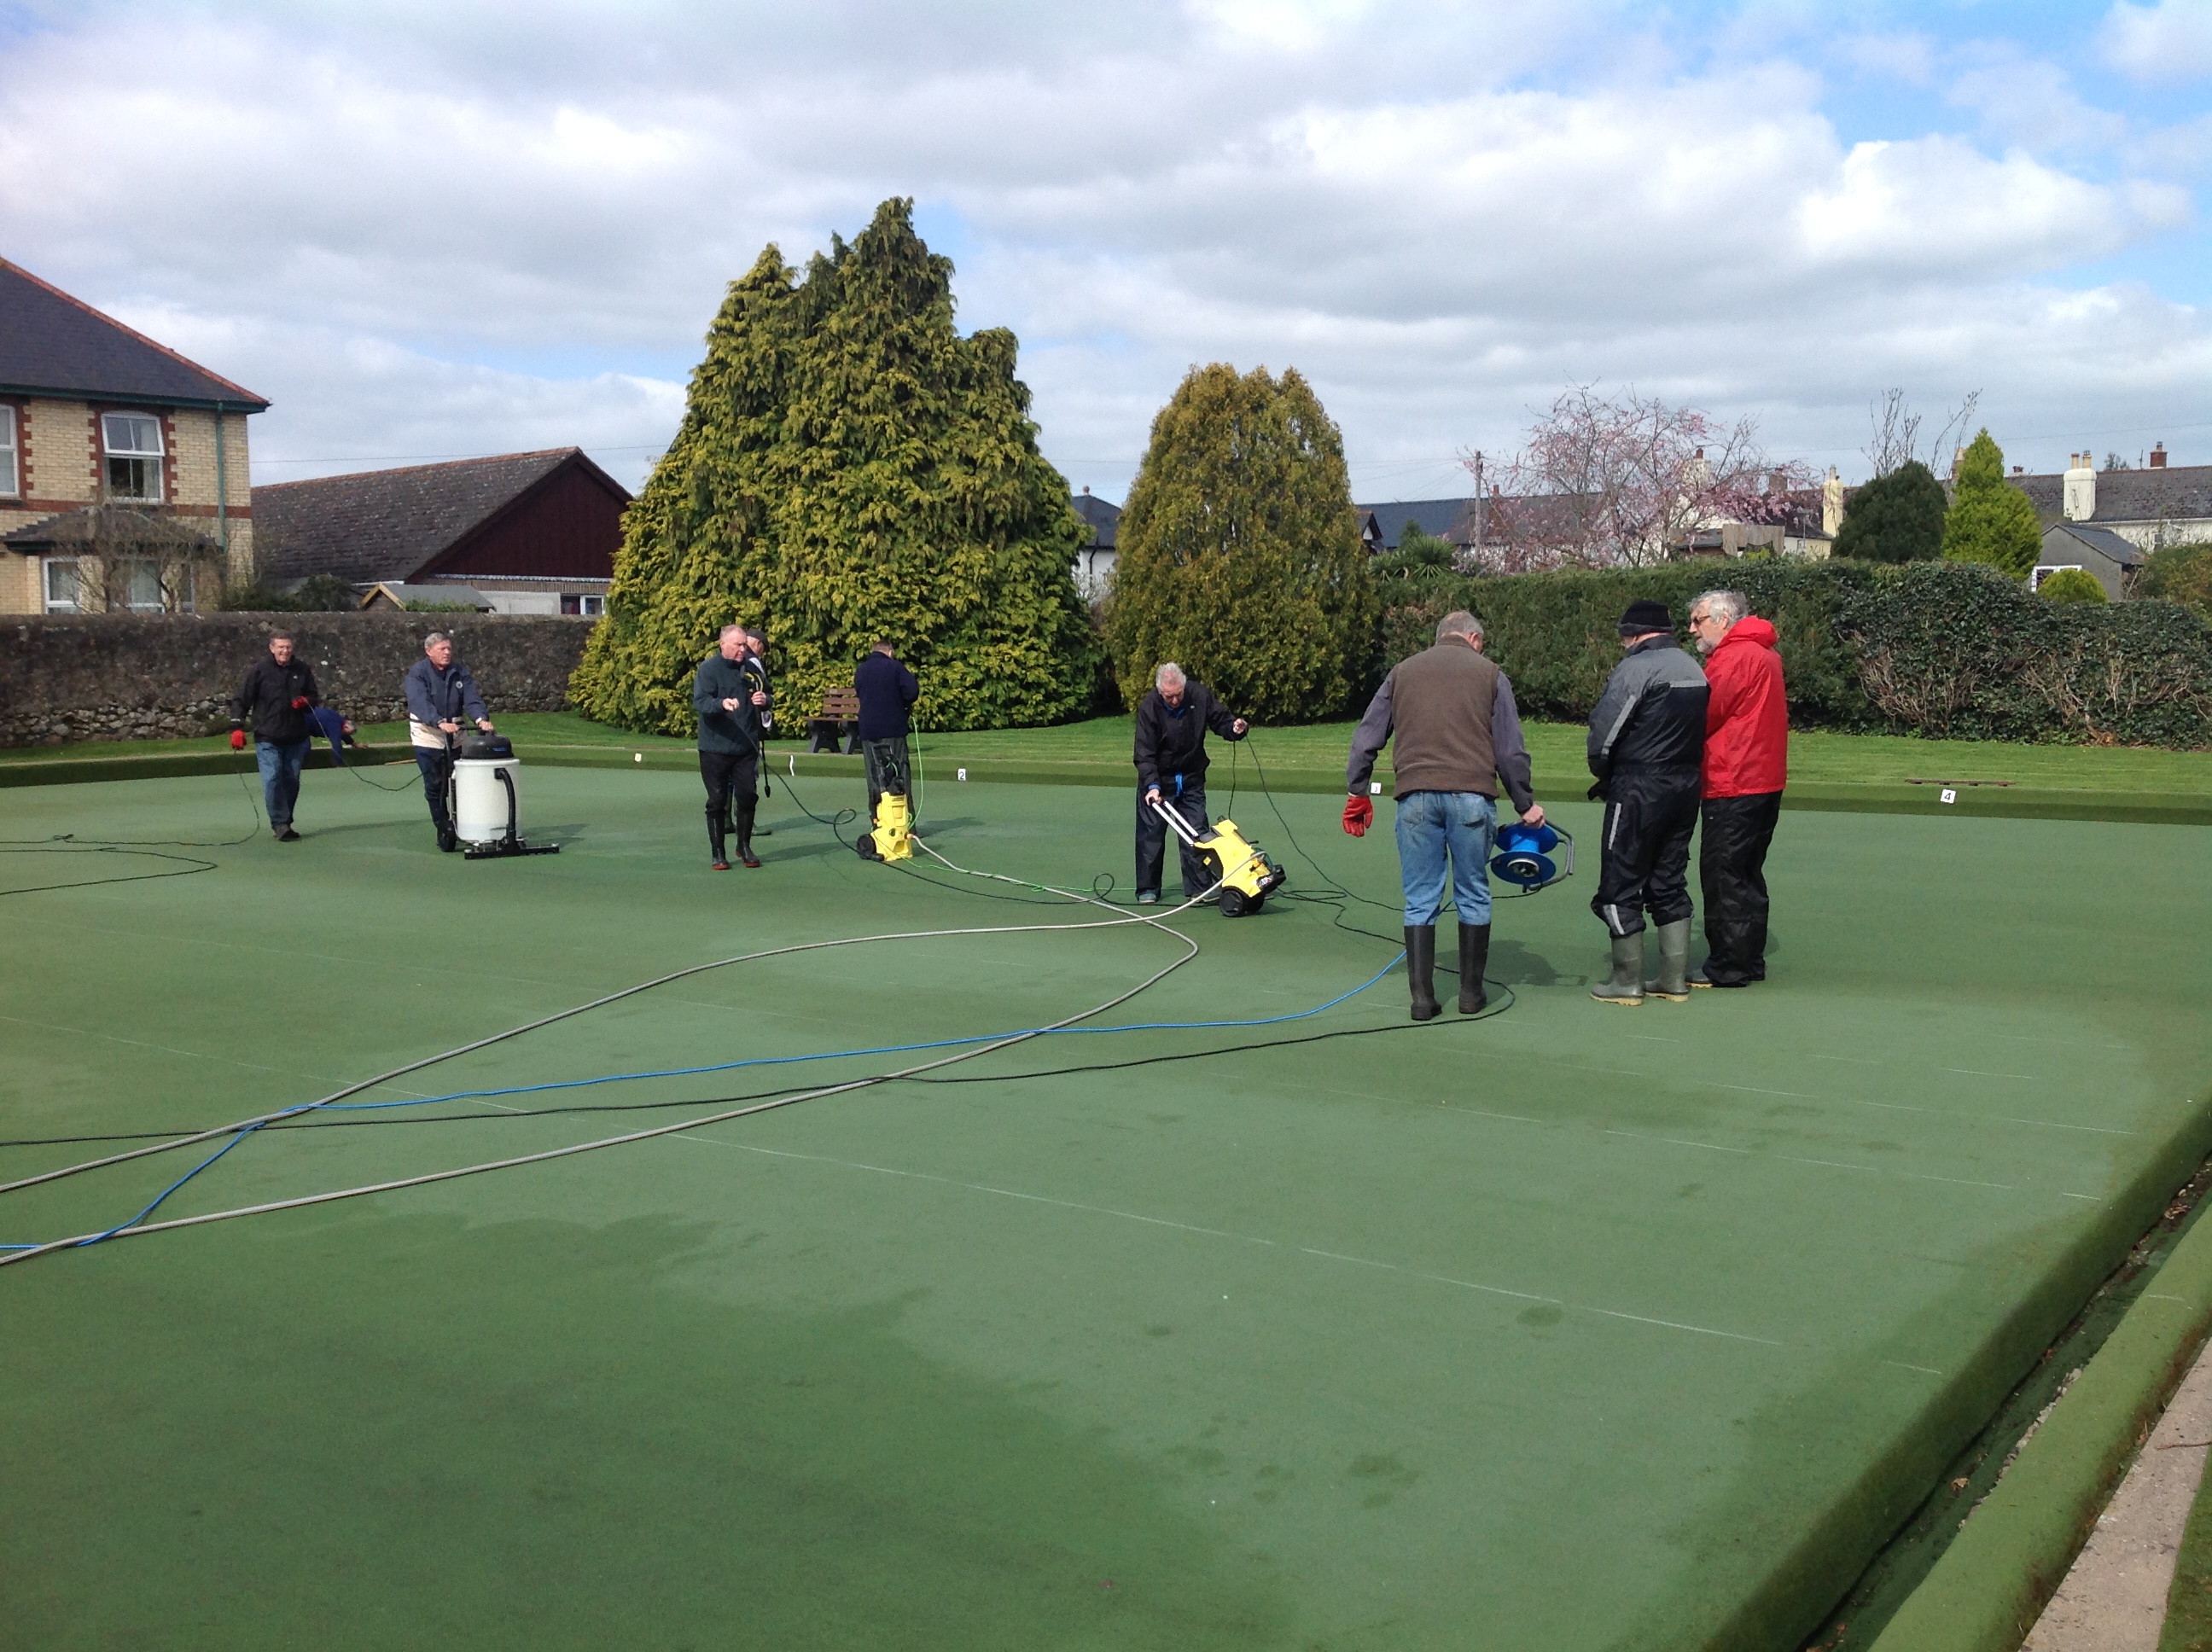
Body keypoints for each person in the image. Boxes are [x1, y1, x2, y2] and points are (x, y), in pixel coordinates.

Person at [1344, 611, 1545, 1020]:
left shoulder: (1401, 672)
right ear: (1474, 639)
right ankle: (1470, 996)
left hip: (1414, 797)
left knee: (1420, 899)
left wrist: (1357, 790)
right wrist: (1525, 803)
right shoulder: (1491, 674)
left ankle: (1422, 1000)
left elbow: (1366, 737)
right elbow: (1510, 750)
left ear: (1440, 637)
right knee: (1473, 893)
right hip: (1472, 797)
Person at [1586, 600, 1709, 1005]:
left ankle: (1627, 982)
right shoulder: (1693, 668)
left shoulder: (1635, 669)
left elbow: (1604, 735)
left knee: (1619, 880)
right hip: (1685, 786)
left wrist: (1604, 774)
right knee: (1670, 880)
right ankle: (1673, 980)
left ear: (1635, 634)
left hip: (1639, 786)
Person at [1687, 589, 1788, 987]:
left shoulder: (1734, 657)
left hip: (1734, 779)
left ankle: (1729, 963)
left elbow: (1704, 712)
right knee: (1746, 873)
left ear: (1723, 620)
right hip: (1762, 778)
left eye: (1698, 620)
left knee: (1724, 874)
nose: (1692, 628)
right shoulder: (1764, 653)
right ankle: (1748, 958)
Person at [1132, 662, 1248, 905]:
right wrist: (1152, 786)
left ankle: (1198, 888)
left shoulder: (1199, 695)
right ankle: (1148, 888)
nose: (1175, 700)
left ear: (1184, 687)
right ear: (1160, 692)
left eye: (1178, 694)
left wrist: (1234, 728)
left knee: (1196, 832)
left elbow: (1221, 720)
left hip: (1191, 776)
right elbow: (1144, 753)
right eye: (1169, 696)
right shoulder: (1149, 707)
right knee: (1150, 835)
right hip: (1158, 781)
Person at [403, 631, 494, 853]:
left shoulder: (459, 672)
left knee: (463, 781)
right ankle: (443, 827)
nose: (447, 653)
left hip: (456, 731)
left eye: (449, 649)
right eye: (442, 649)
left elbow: (471, 699)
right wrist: (438, 721)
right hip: (428, 733)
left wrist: (481, 719)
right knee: (436, 785)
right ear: (428, 651)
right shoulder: (418, 673)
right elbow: (419, 702)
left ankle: (469, 824)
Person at [228, 630, 322, 841]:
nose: (285, 651)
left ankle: (285, 821)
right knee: (272, 778)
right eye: (280, 647)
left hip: (296, 736)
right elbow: (242, 699)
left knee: (291, 780)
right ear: (272, 648)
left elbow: (314, 696)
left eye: (288, 647)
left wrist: (306, 702)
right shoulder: (259, 670)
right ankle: (279, 824)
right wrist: (236, 727)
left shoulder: (302, 669)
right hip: (267, 736)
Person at [693, 624, 770, 870]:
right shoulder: (708, 669)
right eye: (738, 645)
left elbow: (768, 693)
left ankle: (744, 846)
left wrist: (764, 699)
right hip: (714, 747)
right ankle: (718, 853)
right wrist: (721, 704)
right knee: (717, 800)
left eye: (744, 645)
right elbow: (701, 701)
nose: (742, 650)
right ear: (723, 644)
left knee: (748, 795)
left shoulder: (751, 668)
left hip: (746, 746)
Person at [853, 638, 920, 858]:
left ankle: (878, 823)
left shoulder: (861, 670)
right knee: (898, 775)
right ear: (889, 652)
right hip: (893, 729)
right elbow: (911, 692)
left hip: (868, 731)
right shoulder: (895, 667)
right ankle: (907, 825)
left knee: (875, 777)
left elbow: (860, 692)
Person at [741, 629, 774, 836]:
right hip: (749, 725)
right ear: (759, 645)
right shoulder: (753, 662)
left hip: (733, 725)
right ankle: (747, 823)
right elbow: (764, 690)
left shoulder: (727, 660)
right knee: (747, 773)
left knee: (730, 776)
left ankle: (727, 820)